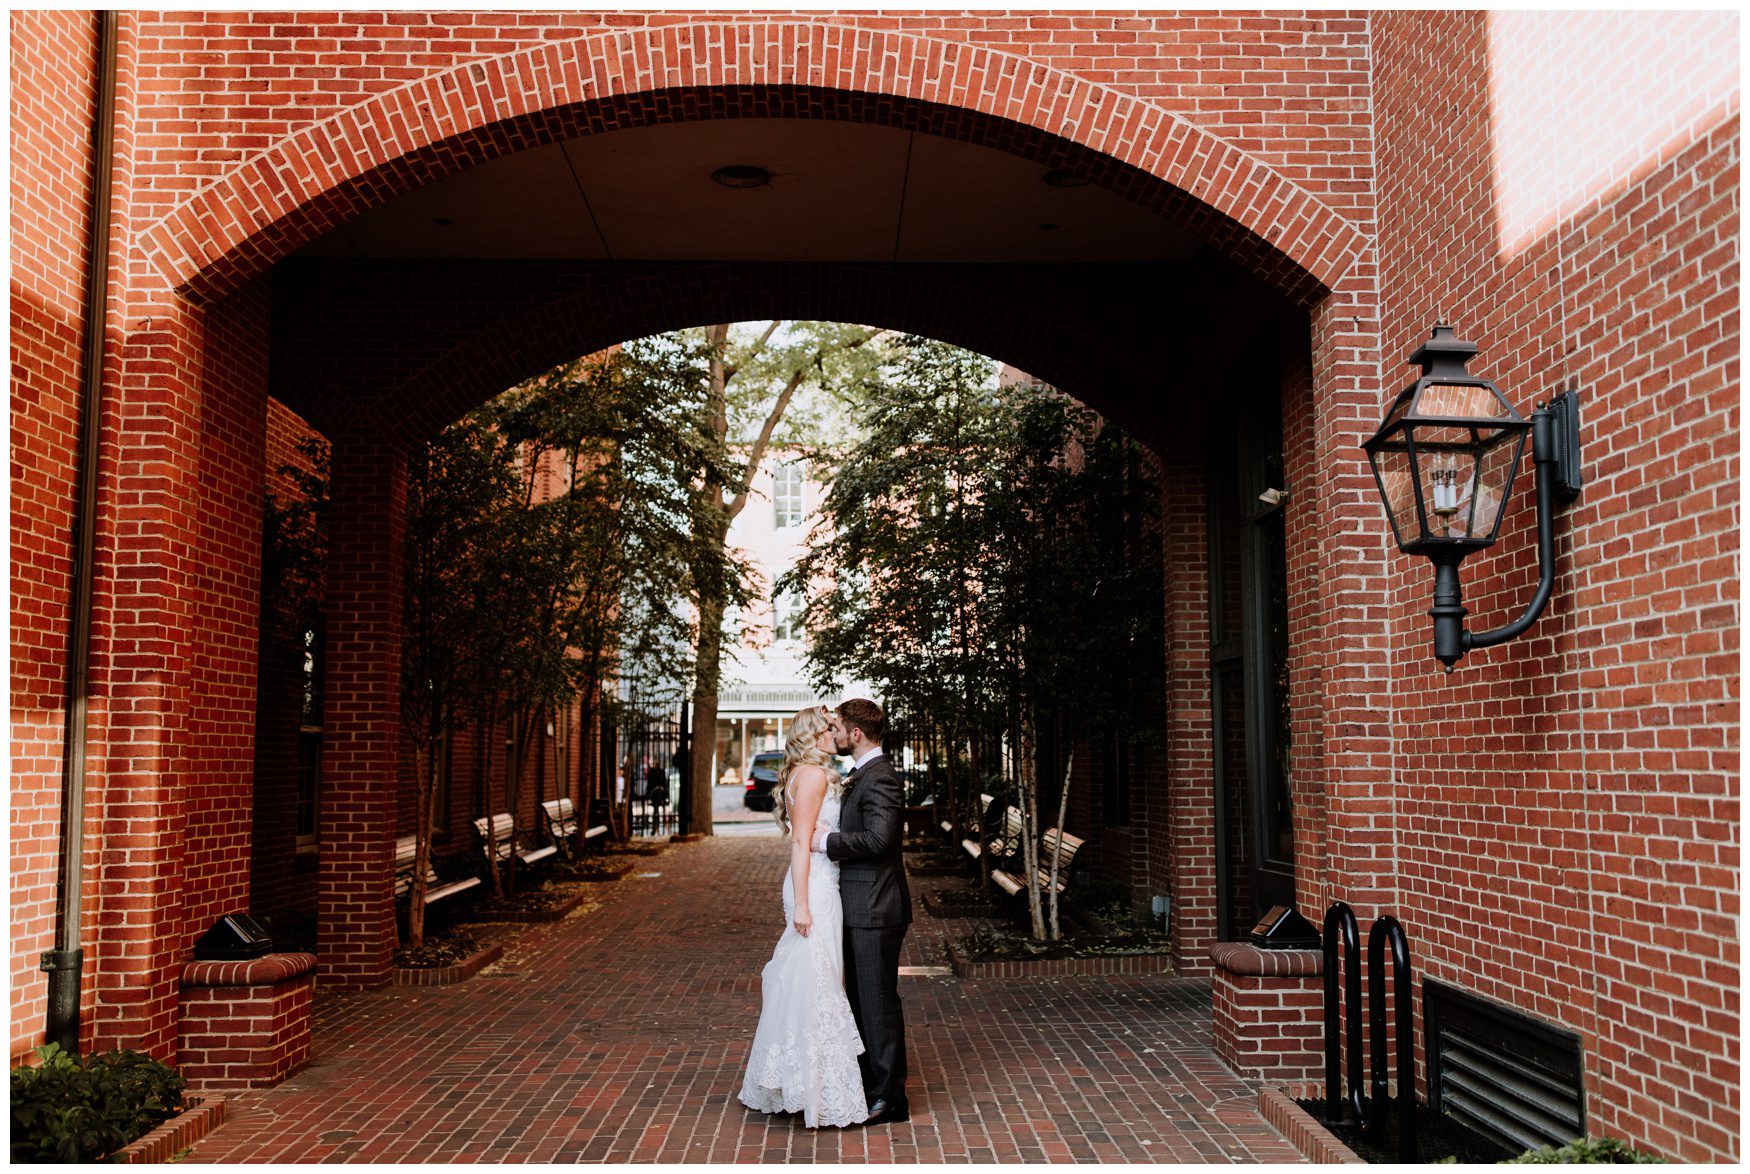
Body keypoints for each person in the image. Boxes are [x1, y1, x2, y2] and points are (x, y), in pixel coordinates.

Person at [737, 706, 869, 1128]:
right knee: (821, 982)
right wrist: (804, 903)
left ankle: (797, 1079)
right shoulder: (812, 775)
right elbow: (799, 843)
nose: (836, 733)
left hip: (816, 882)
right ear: (814, 735)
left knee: (813, 980)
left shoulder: (802, 772)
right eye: (829, 728)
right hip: (814, 887)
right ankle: (818, 1089)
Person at [812, 698, 912, 1125]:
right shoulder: (861, 775)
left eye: (837, 728)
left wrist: (826, 843)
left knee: (877, 1004)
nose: (832, 734)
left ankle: (890, 1099)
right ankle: (872, 1084)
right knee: (860, 1000)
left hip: (876, 908)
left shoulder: (881, 777)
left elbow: (878, 842)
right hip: (858, 905)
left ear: (855, 734)